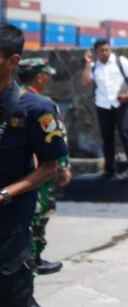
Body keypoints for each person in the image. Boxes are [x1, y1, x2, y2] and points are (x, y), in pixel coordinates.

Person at [0, 23, 67, 307]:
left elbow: (49, 167)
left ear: (12, 61)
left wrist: (6, 193)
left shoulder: (36, 108)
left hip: (8, 229)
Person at [17, 58, 70, 278]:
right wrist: (63, 167)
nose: (48, 78)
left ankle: (33, 259)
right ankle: (33, 260)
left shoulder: (13, 99)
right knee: (38, 216)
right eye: (46, 74)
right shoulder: (41, 103)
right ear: (40, 76)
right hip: (38, 174)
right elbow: (56, 141)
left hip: (18, 175)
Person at [81, 39, 128, 180]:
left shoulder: (121, 61)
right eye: (101, 50)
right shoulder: (95, 66)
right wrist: (88, 62)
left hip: (121, 103)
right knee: (107, 138)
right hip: (103, 105)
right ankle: (109, 170)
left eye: (107, 49)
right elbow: (85, 81)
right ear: (96, 52)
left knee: (125, 133)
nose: (105, 52)